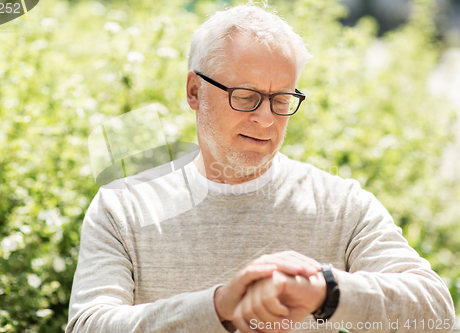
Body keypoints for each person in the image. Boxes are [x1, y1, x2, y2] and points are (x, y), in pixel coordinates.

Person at [66, 4, 455, 333]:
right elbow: (89, 323)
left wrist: (327, 291)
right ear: (195, 92)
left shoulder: (342, 206)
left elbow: (438, 313)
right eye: (247, 97)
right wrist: (218, 308)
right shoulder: (125, 206)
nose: (267, 120)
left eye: (282, 100)